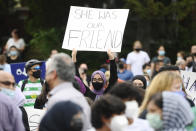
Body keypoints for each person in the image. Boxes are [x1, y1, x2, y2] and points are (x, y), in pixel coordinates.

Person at [45, 53, 91, 130]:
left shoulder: (56, 99)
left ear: (53, 74)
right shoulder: (79, 96)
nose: (45, 76)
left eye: (47, 71)